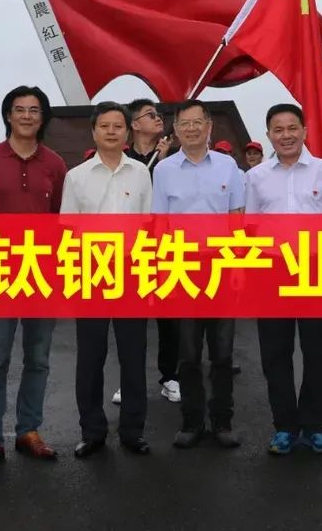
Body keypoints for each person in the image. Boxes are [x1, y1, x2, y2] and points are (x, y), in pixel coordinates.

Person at [0, 85, 66, 471]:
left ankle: (29, 430)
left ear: (43, 118)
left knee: (38, 359)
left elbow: (59, 218)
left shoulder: (55, 164)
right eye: (19, 109)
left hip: (42, 274)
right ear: (8, 115)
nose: (27, 116)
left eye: (34, 110)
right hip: (0, 274)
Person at [245, 103, 322, 455]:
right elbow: (250, 227)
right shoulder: (256, 176)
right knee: (275, 353)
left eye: (292, 128)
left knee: (315, 352)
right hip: (271, 270)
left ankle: (315, 426)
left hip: (315, 269)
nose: (286, 135)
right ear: (269, 134)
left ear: (304, 131)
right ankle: (284, 426)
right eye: (278, 129)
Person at [62, 101, 153, 458]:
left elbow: (148, 227)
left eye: (118, 126)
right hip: (91, 273)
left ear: (127, 131)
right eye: (105, 126)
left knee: (133, 356)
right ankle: (92, 431)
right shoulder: (77, 176)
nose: (112, 131)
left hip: (131, 272)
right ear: (94, 131)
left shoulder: (140, 173)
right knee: (90, 357)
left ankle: (133, 431)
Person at [153, 99, 245, 449]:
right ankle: (192, 421)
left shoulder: (228, 166)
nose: (191, 129)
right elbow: (160, 225)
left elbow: (237, 219)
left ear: (209, 126)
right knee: (188, 354)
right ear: (175, 129)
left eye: (197, 122)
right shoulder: (164, 170)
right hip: (183, 267)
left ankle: (222, 421)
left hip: (221, 264)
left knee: (222, 353)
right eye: (184, 123)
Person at [117, 98, 179, 406]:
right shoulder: (121, 159)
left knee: (170, 317)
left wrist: (163, 163)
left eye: (159, 115)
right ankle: (129, 381)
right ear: (134, 124)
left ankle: (170, 376)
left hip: (166, 246)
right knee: (131, 320)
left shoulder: (174, 159)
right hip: (131, 249)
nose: (158, 119)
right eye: (150, 115)